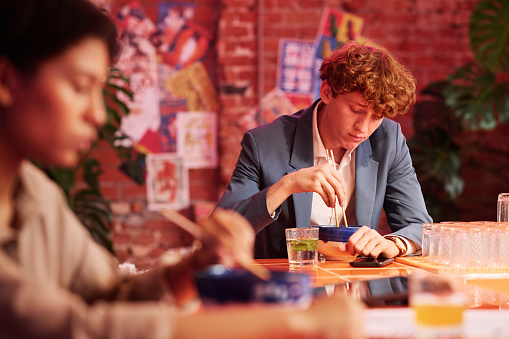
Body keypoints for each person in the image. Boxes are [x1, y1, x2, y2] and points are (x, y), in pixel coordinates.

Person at [0, 0, 363, 338]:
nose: (97, 114)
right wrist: (296, 323)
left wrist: (190, 270)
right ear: (5, 80)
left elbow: (112, 293)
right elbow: (80, 328)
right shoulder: (264, 142)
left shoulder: (34, 194)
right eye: (80, 87)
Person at [217, 41, 433, 259]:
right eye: (356, 110)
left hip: (360, 286)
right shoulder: (264, 143)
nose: (364, 128)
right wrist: (287, 185)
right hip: (292, 285)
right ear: (327, 93)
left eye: (377, 117)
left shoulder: (388, 140)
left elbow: (419, 227)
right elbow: (219, 232)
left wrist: (393, 244)